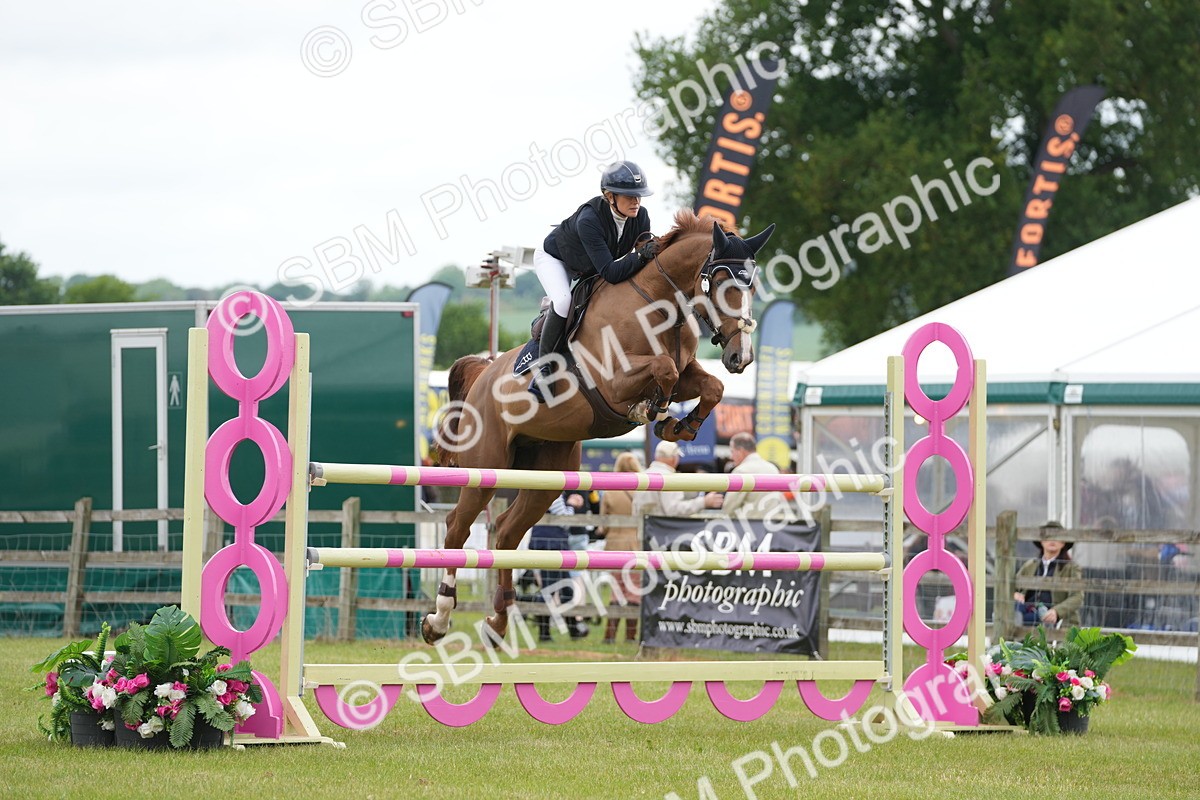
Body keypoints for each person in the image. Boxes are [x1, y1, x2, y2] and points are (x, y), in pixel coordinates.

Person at [528, 160, 658, 403]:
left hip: (590, 265)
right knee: (564, 301)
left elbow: (644, 260)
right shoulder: (589, 219)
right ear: (609, 196)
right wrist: (640, 255)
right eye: (629, 196)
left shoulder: (642, 217)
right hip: (557, 259)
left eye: (639, 196)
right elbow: (611, 271)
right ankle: (543, 369)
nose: (636, 201)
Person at [528, 492, 590, 641]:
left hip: (553, 545)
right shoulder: (553, 493)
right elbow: (565, 519)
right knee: (551, 590)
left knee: (563, 589)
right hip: (552, 546)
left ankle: (570, 630)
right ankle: (546, 633)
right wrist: (571, 505)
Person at [598, 451, 644, 644]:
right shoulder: (642, 489)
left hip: (614, 544)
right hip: (636, 543)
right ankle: (630, 636)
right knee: (634, 590)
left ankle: (609, 636)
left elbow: (603, 524)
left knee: (616, 589)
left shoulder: (610, 491)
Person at [1012, 521, 1084, 628]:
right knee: (1014, 611)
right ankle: (1012, 630)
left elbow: (1077, 597)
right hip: (1028, 613)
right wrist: (1015, 594)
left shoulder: (1072, 568)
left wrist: (1057, 611)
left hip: (1053, 619)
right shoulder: (1030, 565)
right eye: (1048, 535)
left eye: (1057, 536)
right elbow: (1009, 586)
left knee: (1027, 619)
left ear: (1063, 542)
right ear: (1041, 541)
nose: (1052, 540)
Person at [633, 441, 724, 516]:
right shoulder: (669, 478)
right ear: (673, 458)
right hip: (661, 531)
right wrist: (703, 502)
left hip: (644, 530)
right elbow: (674, 510)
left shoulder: (644, 475)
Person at [720, 432, 790, 519]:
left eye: (732, 451)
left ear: (741, 451)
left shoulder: (741, 471)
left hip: (747, 528)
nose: (731, 456)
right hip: (771, 527)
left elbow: (728, 507)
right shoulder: (773, 469)